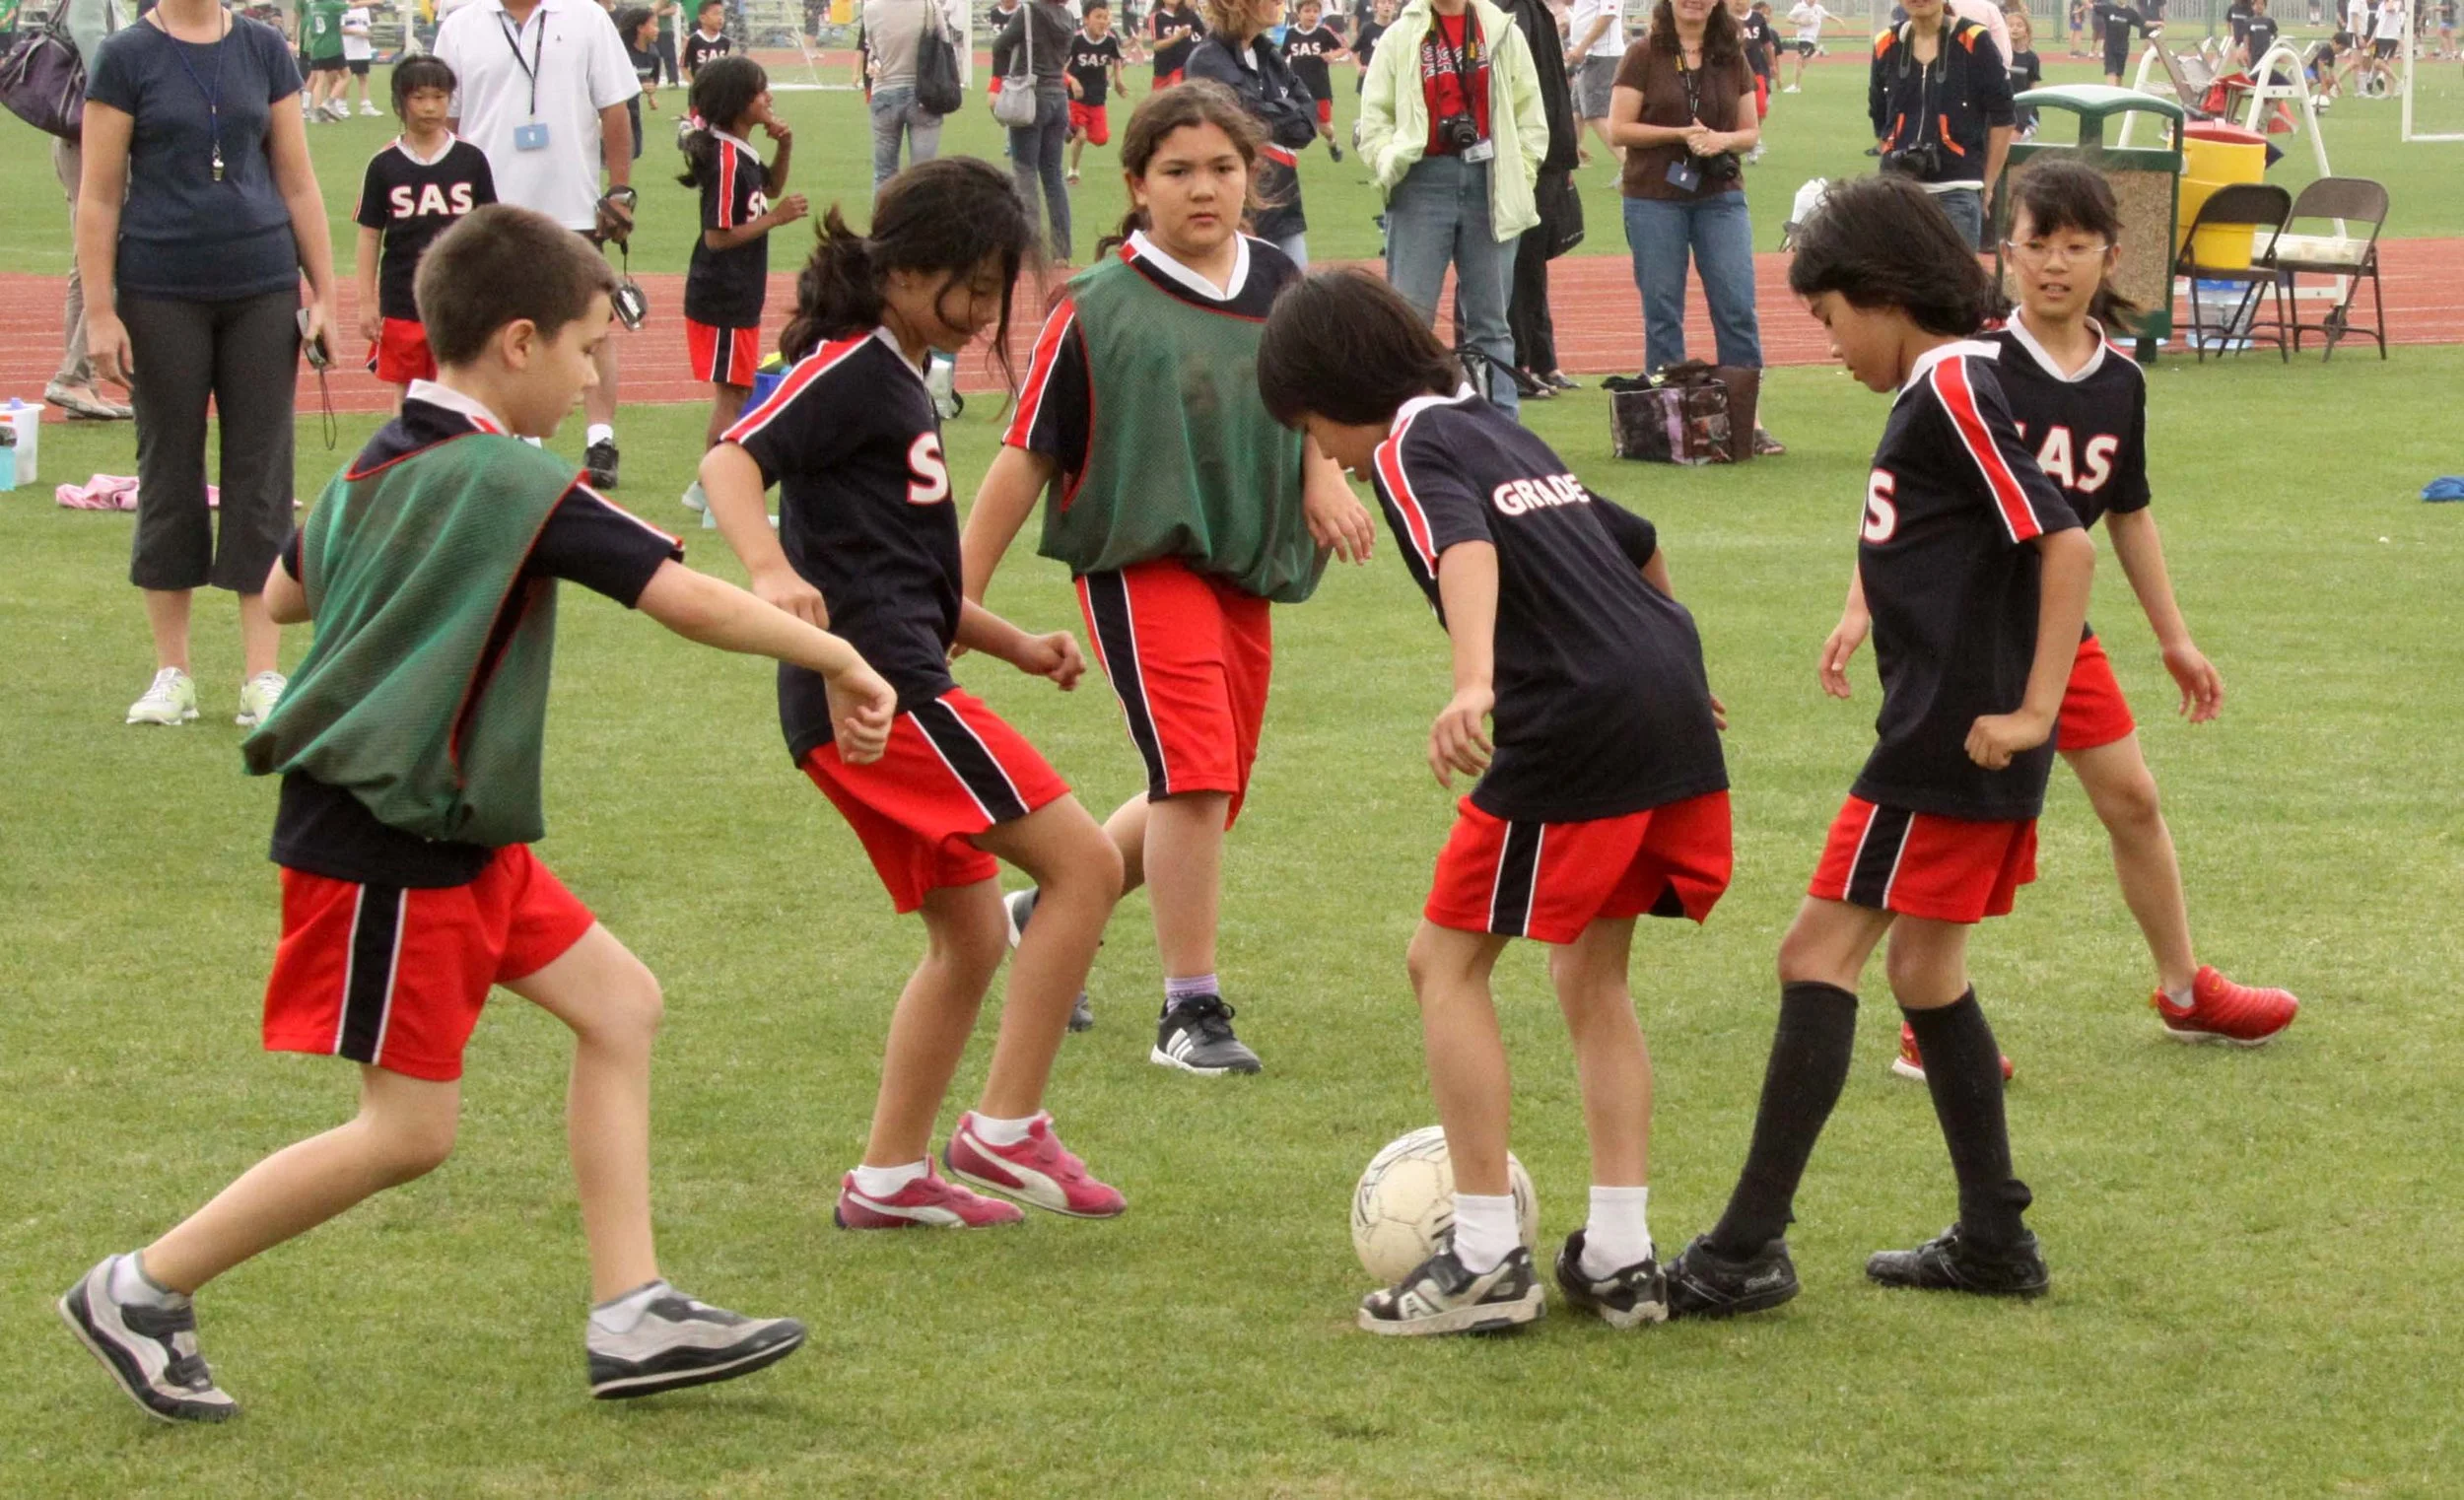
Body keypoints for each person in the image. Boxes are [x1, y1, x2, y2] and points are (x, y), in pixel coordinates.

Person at [58, 205, 898, 1422]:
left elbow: (287, 596)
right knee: (407, 1132)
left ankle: (632, 1311)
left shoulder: (380, 459)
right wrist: (844, 660)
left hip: (459, 830)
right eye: (584, 349)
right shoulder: (515, 480)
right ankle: (141, 1287)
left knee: (620, 1004)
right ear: (517, 342)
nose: (591, 376)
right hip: (389, 837)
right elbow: (683, 598)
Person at [1255, 271, 1732, 1337]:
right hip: (1662, 699)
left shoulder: (1408, 444)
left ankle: (1481, 1257)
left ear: (1334, 390)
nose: (1326, 454)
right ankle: (1619, 1255)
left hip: (1576, 717)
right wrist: (1668, 666)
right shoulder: (1499, 428)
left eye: (1312, 427)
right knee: (1591, 972)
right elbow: (1635, 535)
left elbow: (1464, 545)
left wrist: (1474, 680)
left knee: (1445, 962)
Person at [1660, 174, 2093, 1320]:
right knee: (1923, 972)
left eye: (1828, 318)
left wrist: (2035, 710)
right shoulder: (1948, 383)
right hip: (1956, 737)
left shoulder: (1949, 381)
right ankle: (1994, 1237)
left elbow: (2064, 546)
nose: (1828, 343)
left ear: (1885, 295)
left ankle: (1742, 1248)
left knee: (1813, 954)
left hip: (1947, 746)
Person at [699, 160, 1132, 1229]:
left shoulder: (899, 376)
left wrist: (1011, 642)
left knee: (973, 935)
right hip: (880, 694)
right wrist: (768, 570)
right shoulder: (849, 365)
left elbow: (902, 574)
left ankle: (889, 1179)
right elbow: (729, 463)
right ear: (898, 269)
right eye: (969, 286)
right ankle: (1007, 1126)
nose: (982, 312)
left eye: (994, 292)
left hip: (886, 681)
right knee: (1085, 865)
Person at [1827, 161, 2300, 1076]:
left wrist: (2174, 638)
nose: (2054, 263)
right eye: (2036, 243)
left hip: (2054, 631)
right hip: (1973, 637)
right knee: (1959, 807)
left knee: (2133, 798)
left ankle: (2184, 990)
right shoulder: (1975, 364)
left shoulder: (2121, 377)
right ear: (2005, 255)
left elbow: (2128, 511)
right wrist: (1858, 605)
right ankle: (1931, 1008)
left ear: (2111, 257)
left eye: (2076, 246)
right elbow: (1905, 492)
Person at [964, 84, 1376, 1067]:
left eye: (1223, 169)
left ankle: (1046, 906)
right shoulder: (1095, 307)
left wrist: (1320, 471)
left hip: (1245, 564)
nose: (1203, 188)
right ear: (1135, 184)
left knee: (1211, 790)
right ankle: (1189, 1011)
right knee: (1192, 773)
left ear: (1253, 177)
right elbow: (1024, 458)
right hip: (1138, 560)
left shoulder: (1278, 281)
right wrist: (953, 597)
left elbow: (1312, 407)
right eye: (1178, 171)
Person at [80, 0, 338, 731]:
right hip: (159, 288)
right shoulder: (126, 56)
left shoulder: (264, 49)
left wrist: (324, 293)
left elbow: (297, 181)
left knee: (263, 474)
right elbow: (99, 195)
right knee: (169, 469)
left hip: (262, 286)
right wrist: (100, 312)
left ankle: (262, 674)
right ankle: (174, 674)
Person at [434, 0, 643, 489]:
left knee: (592, 323)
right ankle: (523, 440)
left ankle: (601, 440)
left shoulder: (586, 16)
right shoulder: (461, 25)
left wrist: (619, 190)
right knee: (502, 328)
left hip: (574, 202)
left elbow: (614, 108)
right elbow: (447, 123)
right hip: (489, 208)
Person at [1359, 0, 1547, 416]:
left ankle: (1500, 425)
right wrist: (1389, 160)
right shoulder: (1401, 35)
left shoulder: (1500, 31)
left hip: (1491, 177)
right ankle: (1406, 422)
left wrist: (1522, 171)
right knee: (1408, 319)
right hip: (1420, 180)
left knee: (1491, 322)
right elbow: (1374, 116)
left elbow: (1529, 110)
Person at [1610, 0, 1781, 453]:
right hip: (1653, 195)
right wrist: (1681, 134)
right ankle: (1669, 423)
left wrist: (1721, 140)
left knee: (1736, 306)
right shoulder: (1643, 54)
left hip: (1719, 195)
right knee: (1663, 310)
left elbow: (1750, 131)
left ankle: (1746, 423)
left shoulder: (1731, 54)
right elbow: (1619, 128)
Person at [355, 57, 499, 406]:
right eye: (419, 97)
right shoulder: (384, 164)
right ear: (400, 102)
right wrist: (366, 301)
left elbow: (490, 230)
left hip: (461, 297)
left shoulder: (471, 159)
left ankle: (460, 442)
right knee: (409, 391)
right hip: (403, 297)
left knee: (462, 386)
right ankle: (407, 442)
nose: (430, 107)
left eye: (439, 96)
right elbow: (370, 234)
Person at [46, 0, 133, 425]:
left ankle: (81, 385)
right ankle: (75, 377)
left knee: (87, 262)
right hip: (93, 138)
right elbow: (98, 57)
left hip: (85, 137)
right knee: (110, 253)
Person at [1869, 0, 2015, 249]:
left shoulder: (1974, 39)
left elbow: (2004, 116)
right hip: (1897, 192)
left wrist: (1988, 183)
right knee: (1896, 273)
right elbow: (1879, 114)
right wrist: (1893, 154)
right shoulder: (1886, 43)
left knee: (1955, 273)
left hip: (1957, 190)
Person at [1187, 0, 1322, 267]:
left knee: (1297, 292)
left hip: (1284, 210)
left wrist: (1269, 111)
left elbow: (1307, 123)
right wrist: (1286, 108)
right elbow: (1246, 117)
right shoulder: (1208, 61)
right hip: (1237, 216)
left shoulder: (1270, 56)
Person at [993, 0, 1078, 261]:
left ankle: (1031, 249)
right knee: (1053, 175)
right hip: (1058, 97)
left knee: (1025, 172)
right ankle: (1062, 250)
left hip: (1031, 94)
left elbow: (1000, 45)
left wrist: (1003, 75)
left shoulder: (1028, 12)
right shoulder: (1067, 17)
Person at [861, 0, 951, 190]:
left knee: (884, 173)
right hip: (923, 92)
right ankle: (921, 210)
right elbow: (945, 44)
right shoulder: (929, 6)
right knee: (923, 175)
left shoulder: (871, 8)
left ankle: (883, 210)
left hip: (884, 90)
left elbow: (872, 47)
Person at [1065, 0, 1129, 182]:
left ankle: (1067, 129)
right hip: (1076, 98)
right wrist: (1072, 80)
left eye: (1105, 17)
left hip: (1097, 98)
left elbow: (1117, 59)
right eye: (1098, 17)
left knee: (1101, 139)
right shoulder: (1076, 40)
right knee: (1081, 136)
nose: (1103, 21)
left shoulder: (1110, 40)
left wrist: (1118, 80)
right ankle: (1073, 170)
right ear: (1086, 19)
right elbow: (1060, 68)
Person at [1282, 0, 1351, 159]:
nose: (1311, 15)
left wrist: (1332, 55)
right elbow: (1282, 56)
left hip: (1320, 87)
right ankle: (1289, 157)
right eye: (1307, 11)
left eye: (1315, 11)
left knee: (1325, 127)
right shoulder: (1291, 33)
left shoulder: (1323, 33)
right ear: (1298, 13)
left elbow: (1343, 48)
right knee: (1294, 124)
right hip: (1297, 87)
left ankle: (1333, 143)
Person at [1565, 0, 1623, 166]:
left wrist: (1582, 47)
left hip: (1600, 55)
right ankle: (1570, 160)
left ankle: (1630, 165)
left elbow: (1608, 15)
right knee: (1577, 111)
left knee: (1595, 114)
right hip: (1589, 55)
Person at [1737, 0, 1780, 156]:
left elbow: (1767, 43)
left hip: (1756, 70)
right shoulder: (1726, 18)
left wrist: (1772, 64)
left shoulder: (1757, 18)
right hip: (1733, 70)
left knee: (1761, 107)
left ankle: (1754, 137)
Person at [617, 6, 658, 146]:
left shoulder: (654, 54)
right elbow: (611, 84)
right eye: (654, 25)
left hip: (633, 108)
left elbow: (650, 79)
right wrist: (638, 86)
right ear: (640, 28)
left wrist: (651, 95)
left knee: (636, 148)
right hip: (614, 108)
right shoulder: (620, 53)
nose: (657, 30)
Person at [302, 0, 346, 118]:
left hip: (315, 46)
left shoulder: (312, 6)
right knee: (343, 76)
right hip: (330, 47)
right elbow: (353, 5)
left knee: (318, 79)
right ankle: (328, 104)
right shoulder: (331, 5)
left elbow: (307, 27)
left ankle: (315, 111)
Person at [2089, 1, 2151, 85]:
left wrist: (2158, 24)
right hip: (2110, 47)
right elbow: (2089, 6)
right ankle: (2111, 91)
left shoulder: (2130, 12)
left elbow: (2144, 24)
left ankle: (2118, 91)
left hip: (2123, 48)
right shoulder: (2108, 8)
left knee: (2119, 75)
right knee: (2111, 72)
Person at [1784, 0, 1835, 89]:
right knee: (1802, 64)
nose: (1813, 1)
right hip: (1802, 38)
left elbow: (1828, 16)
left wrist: (1840, 21)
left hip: (1808, 38)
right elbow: (1788, 19)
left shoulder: (1818, 8)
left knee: (1798, 61)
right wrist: (1800, 22)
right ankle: (1818, 51)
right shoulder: (1800, 7)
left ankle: (1796, 86)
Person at [2005, 10, 2040, 135]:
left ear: (2026, 31)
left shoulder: (2032, 58)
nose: (2014, 28)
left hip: (2024, 110)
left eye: (2019, 25)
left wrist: (2026, 114)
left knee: (2014, 140)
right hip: (2004, 108)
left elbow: (2032, 88)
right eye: (2011, 25)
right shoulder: (2000, 54)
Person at [1151, 0, 1201, 85]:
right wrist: (1177, 37)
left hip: (1184, 69)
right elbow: (1157, 46)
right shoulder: (1156, 17)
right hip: (1163, 70)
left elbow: (1205, 34)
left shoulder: (1189, 15)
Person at [341, 2, 377, 113]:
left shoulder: (364, 10)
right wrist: (358, 33)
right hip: (348, 50)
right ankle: (342, 106)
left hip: (362, 50)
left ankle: (365, 105)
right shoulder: (343, 8)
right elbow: (341, 29)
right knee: (345, 78)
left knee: (363, 77)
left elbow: (368, 28)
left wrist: (368, 34)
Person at [1353, 0, 1396, 87]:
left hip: (1389, 79)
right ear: (1375, 7)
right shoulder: (1367, 28)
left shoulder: (1397, 29)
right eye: (1383, 2)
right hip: (1369, 79)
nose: (1387, 5)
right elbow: (1353, 51)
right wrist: (1359, 67)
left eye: (1390, 3)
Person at [682, 0, 728, 77]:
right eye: (716, 14)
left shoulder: (725, 41)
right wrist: (694, 82)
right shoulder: (693, 40)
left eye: (722, 14)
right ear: (702, 18)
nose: (720, 18)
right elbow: (683, 66)